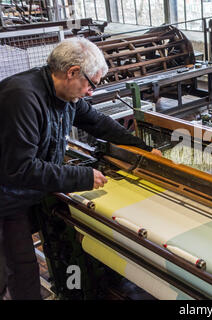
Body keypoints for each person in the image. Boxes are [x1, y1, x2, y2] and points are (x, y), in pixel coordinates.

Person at [0, 37, 162, 300]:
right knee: (19, 270)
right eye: (92, 84)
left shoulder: (65, 96)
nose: (91, 92)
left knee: (22, 265)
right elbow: (20, 168)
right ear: (72, 72)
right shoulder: (22, 98)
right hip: (7, 196)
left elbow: (98, 122)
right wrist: (82, 176)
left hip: (25, 191)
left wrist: (142, 148)